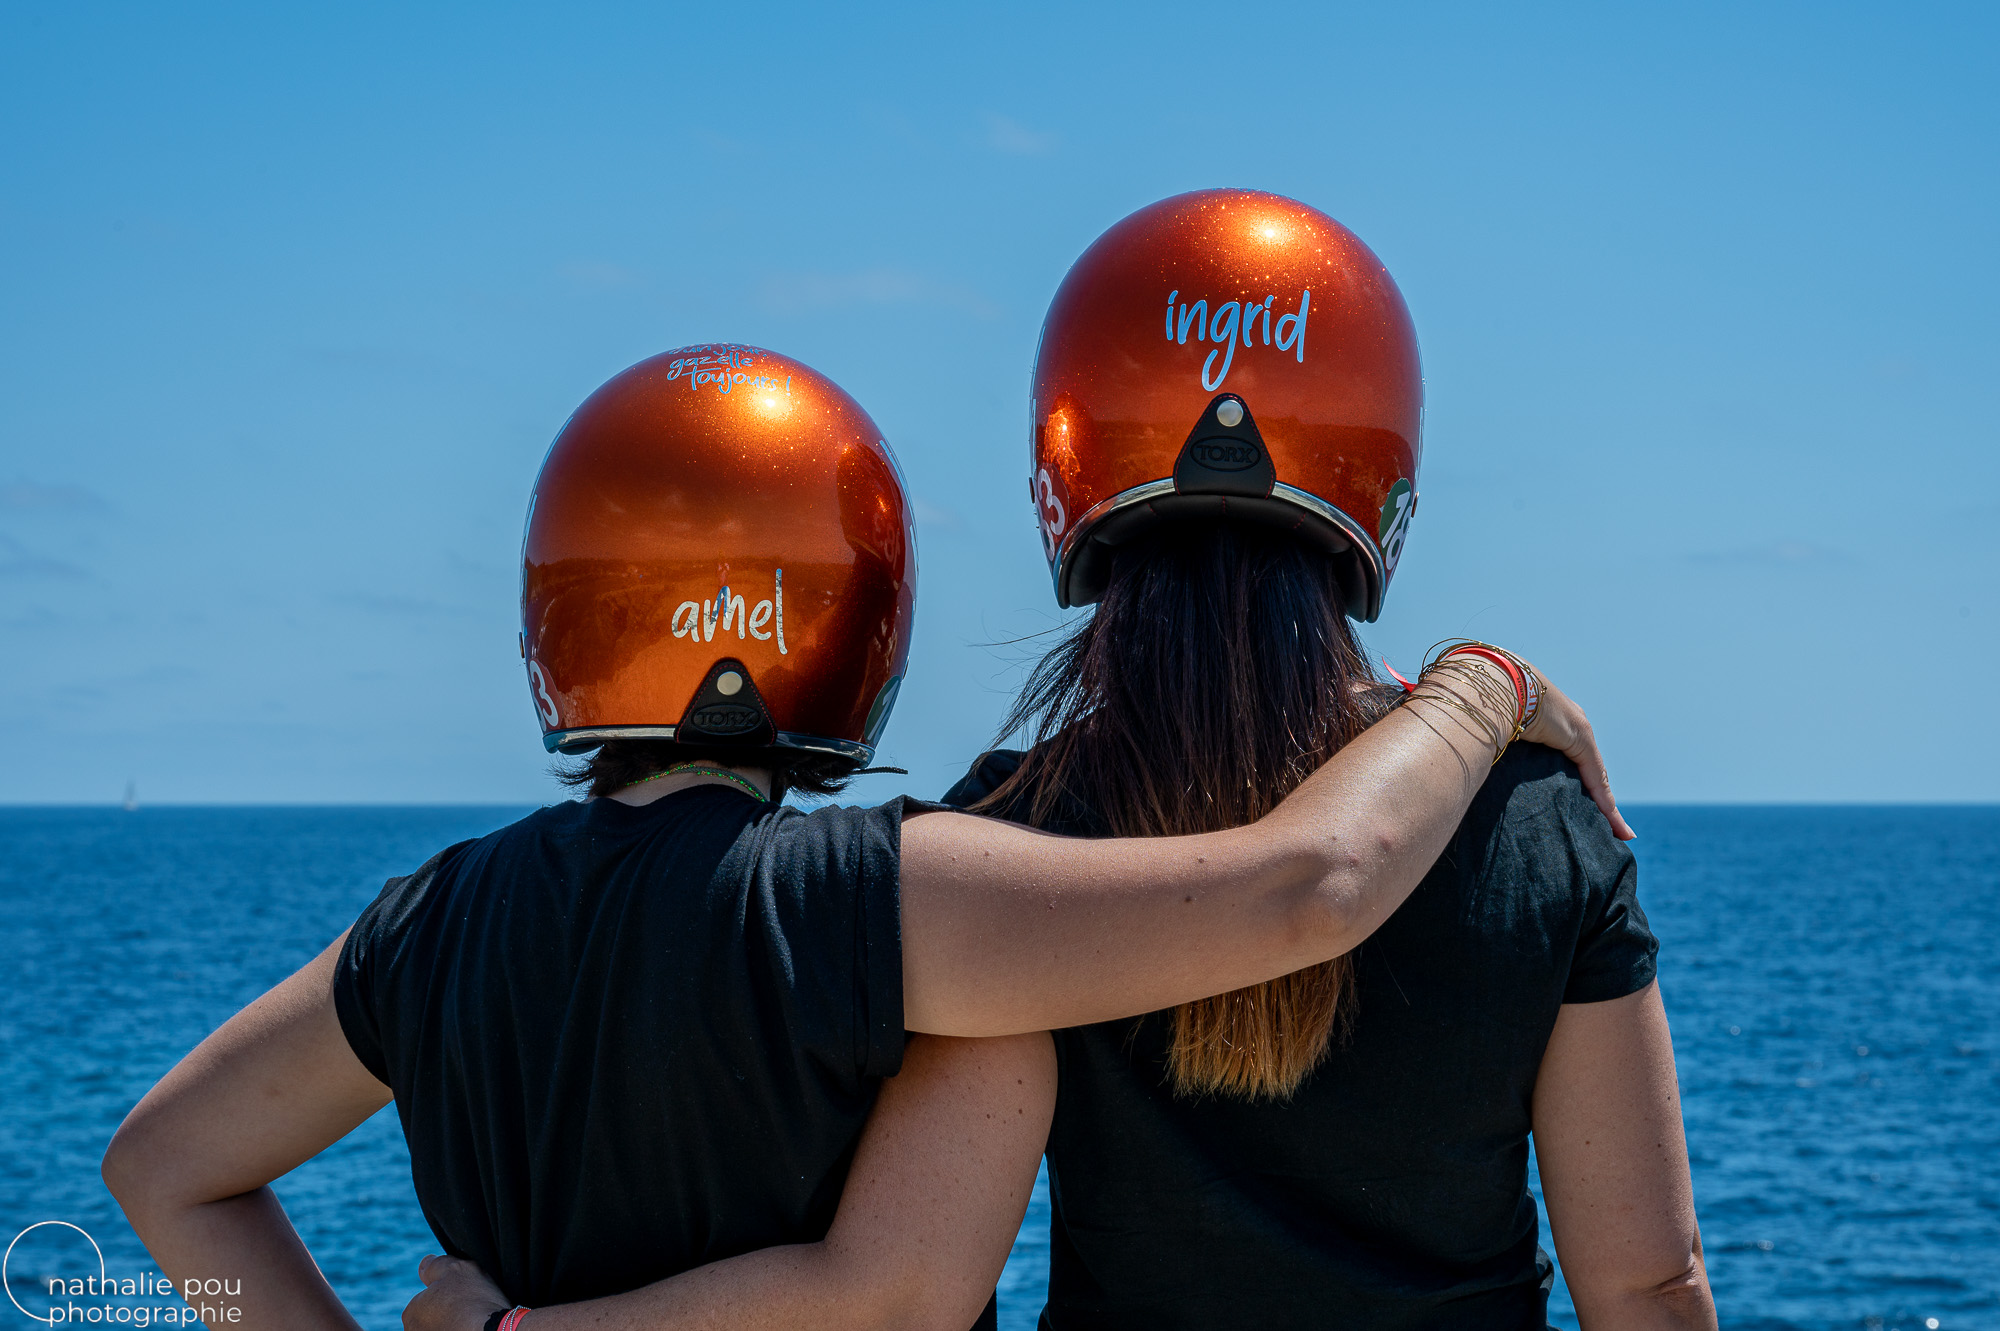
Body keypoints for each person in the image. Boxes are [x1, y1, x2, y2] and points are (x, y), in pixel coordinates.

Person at [103, 340, 1626, 1331]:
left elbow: (165, 1171)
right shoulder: (899, 888)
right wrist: (1479, 688)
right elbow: (905, 1289)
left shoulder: (423, 924)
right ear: (859, 628)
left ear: (560, 621)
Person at [399, 192, 1710, 1331]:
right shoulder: (1541, 818)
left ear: (1066, 470)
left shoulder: (1006, 835)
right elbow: (1648, 1290)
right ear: (1382, 480)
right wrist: (1493, 682)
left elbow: (912, 1276)